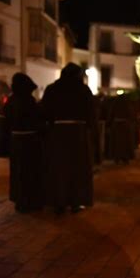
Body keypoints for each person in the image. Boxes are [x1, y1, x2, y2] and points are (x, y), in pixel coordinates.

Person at [41, 63, 97, 214]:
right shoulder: (83, 90)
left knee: (59, 168)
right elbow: (91, 113)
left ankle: (59, 201)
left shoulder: (52, 89)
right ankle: (75, 202)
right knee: (77, 169)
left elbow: (44, 111)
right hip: (78, 134)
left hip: (58, 134)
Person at [3, 73, 43, 212]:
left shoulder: (11, 101)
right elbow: (37, 119)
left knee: (18, 172)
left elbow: (7, 121)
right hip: (30, 141)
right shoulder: (29, 101)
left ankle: (20, 201)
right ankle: (30, 201)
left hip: (16, 141)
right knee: (30, 172)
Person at [108, 93, 135, 164]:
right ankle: (125, 158)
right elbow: (131, 114)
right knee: (125, 142)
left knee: (117, 142)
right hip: (125, 125)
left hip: (117, 124)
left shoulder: (115, 104)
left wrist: (109, 124)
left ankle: (117, 158)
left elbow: (111, 114)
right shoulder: (127, 104)